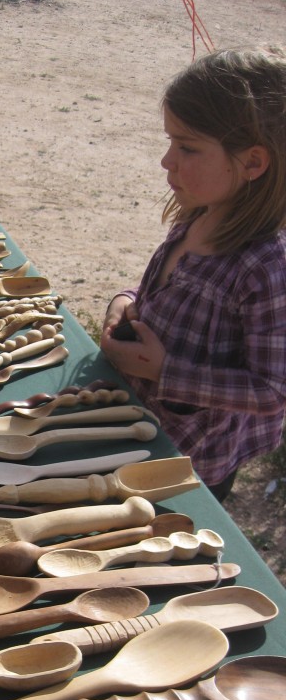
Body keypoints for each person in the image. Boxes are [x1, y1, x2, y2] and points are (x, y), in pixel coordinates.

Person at [100, 47, 286, 502]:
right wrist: (127, 301)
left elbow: (272, 392)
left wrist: (166, 370)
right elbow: (167, 293)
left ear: (253, 163)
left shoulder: (266, 269)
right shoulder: (197, 215)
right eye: (170, 142)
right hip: (138, 424)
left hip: (191, 463)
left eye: (186, 147)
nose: (167, 161)